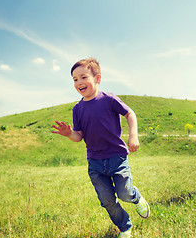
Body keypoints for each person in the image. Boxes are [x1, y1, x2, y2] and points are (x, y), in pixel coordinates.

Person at [52, 58, 150, 238]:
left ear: (97, 78)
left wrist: (133, 135)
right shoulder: (77, 109)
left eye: (83, 77)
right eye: (74, 79)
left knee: (125, 194)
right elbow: (79, 136)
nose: (79, 82)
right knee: (107, 201)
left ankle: (136, 198)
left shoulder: (109, 99)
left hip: (117, 157)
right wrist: (68, 134)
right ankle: (125, 227)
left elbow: (130, 113)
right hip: (95, 162)